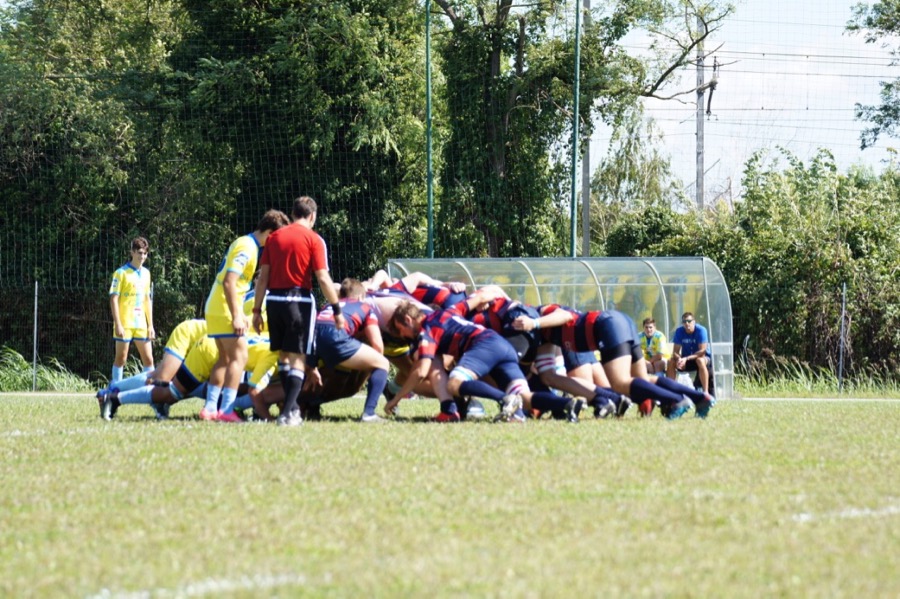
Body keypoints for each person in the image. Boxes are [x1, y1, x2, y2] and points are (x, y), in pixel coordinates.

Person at [387, 300, 583, 423]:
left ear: (408, 320)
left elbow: (421, 371)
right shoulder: (449, 311)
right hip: (502, 345)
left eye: (400, 330)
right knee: (523, 397)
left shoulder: (427, 331)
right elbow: (476, 299)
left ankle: (504, 399)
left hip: (483, 345)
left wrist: (396, 399)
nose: (402, 336)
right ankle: (567, 403)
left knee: (454, 383)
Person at [513, 305, 715, 419]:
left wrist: (534, 322)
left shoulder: (540, 313)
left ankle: (675, 399)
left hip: (606, 326)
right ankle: (699, 397)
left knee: (620, 383)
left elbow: (564, 314)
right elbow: (548, 374)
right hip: (619, 321)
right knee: (642, 380)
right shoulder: (543, 337)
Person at [251, 196, 344, 427]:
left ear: (293, 214)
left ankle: (291, 409)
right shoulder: (314, 239)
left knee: (283, 356)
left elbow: (263, 277)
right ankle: (287, 413)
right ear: (312, 216)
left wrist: (256, 310)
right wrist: (336, 309)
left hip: (273, 301)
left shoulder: (274, 238)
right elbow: (323, 278)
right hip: (298, 301)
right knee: (298, 358)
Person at [203, 210, 289, 423]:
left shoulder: (245, 243)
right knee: (239, 357)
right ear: (270, 233)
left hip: (215, 306)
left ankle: (210, 408)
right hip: (224, 308)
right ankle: (226, 410)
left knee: (224, 359)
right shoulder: (248, 247)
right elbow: (229, 281)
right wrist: (237, 316)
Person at [306, 278, 390, 423]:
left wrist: (311, 363)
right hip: (335, 337)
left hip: (311, 343)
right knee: (382, 363)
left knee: (324, 376)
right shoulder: (364, 307)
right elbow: (378, 345)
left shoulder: (328, 306)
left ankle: (307, 404)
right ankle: (369, 413)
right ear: (361, 297)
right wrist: (374, 371)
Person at [108, 236, 155, 385]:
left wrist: (150, 325)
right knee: (121, 358)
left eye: (145, 253)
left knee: (149, 359)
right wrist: (118, 324)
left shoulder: (146, 273)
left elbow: (147, 299)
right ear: (132, 252)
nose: (142, 256)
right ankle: (116, 389)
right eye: (139, 253)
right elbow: (113, 299)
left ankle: (149, 390)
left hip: (141, 323)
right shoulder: (120, 273)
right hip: (125, 323)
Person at [666, 311, 714, 396]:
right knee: (671, 361)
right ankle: (670, 391)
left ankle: (705, 392)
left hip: (703, 358)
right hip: (686, 360)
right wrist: (679, 359)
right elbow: (675, 351)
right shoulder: (679, 331)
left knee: (700, 360)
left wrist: (686, 358)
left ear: (694, 322)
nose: (687, 324)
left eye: (689, 321)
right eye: (684, 322)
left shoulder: (701, 330)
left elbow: (702, 352)